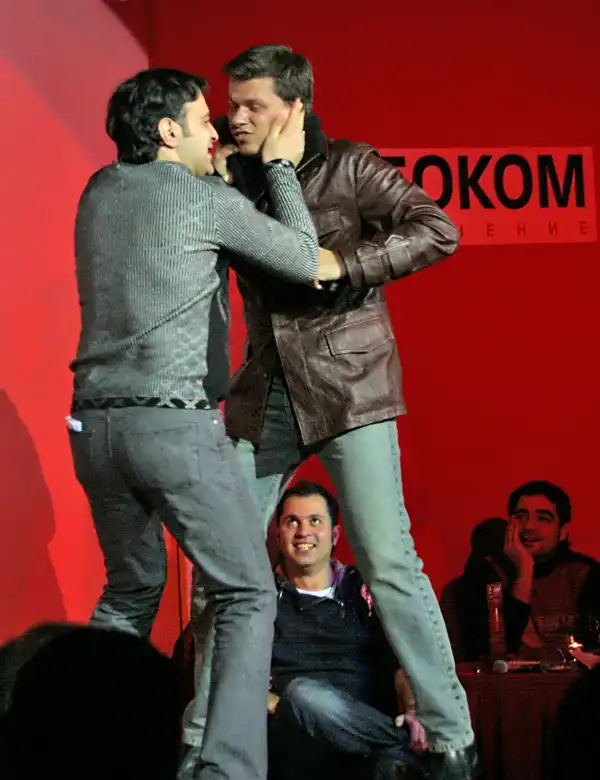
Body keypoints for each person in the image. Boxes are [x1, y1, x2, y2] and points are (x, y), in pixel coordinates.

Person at [184, 45, 477, 780]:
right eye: (231, 103)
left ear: (295, 106)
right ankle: (201, 738)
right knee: (223, 566)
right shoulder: (229, 173)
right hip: (267, 393)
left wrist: (347, 263)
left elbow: (437, 228)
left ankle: (452, 736)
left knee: (388, 559)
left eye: (252, 104)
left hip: (351, 386)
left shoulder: (349, 165)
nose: (236, 116)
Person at [68, 67, 342, 780]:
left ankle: (81, 750)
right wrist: (279, 169)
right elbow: (306, 261)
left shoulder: (98, 190)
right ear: (168, 131)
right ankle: (227, 770)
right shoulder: (203, 200)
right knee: (247, 591)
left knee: (131, 591)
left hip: (93, 428)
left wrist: (214, 182)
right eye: (201, 121)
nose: (216, 132)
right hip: (173, 429)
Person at [267, 481, 426, 780]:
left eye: (315, 521)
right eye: (292, 522)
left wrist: (413, 708)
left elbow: (398, 663)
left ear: (335, 534)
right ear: (278, 534)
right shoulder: (262, 599)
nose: (303, 532)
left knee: (390, 770)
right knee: (304, 695)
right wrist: (279, 705)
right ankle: (399, 744)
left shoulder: (364, 589)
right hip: (299, 740)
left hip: (365, 738)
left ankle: (394, 749)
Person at [442, 481, 600, 661]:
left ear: (562, 532)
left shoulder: (585, 575)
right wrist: (525, 569)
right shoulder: (484, 576)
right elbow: (493, 655)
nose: (529, 526)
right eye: (521, 516)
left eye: (543, 518)